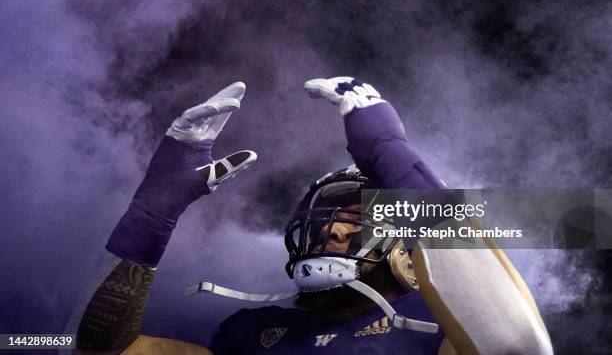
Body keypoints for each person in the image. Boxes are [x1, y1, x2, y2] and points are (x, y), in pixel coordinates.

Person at [73, 77, 553, 354]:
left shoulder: (437, 326)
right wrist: (148, 220)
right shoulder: (253, 332)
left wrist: (398, 163)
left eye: (360, 216)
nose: (334, 227)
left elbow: (518, 348)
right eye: (323, 214)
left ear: (412, 255)